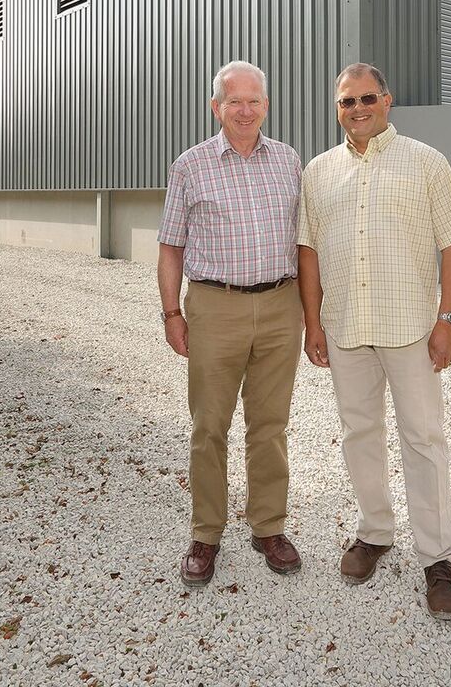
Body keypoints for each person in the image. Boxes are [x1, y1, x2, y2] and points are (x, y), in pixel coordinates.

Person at [297, 62, 451, 620]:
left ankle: (439, 559)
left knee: (423, 438)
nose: (357, 108)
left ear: (387, 100)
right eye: (346, 101)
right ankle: (374, 532)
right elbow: (309, 252)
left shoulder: (426, 162)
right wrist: (313, 323)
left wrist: (448, 320)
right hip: (346, 328)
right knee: (359, 434)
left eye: (366, 98)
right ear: (337, 109)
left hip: (410, 331)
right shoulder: (318, 172)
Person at [157, 60, 305, 587]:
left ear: (266, 105)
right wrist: (172, 313)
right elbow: (170, 246)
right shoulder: (190, 165)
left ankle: (269, 526)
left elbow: (305, 241)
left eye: (254, 100)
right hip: (214, 307)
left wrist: (312, 312)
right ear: (215, 107)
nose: (245, 110)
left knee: (270, 425)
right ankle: (206, 533)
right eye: (234, 101)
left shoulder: (288, 161)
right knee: (208, 426)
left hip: (281, 306)